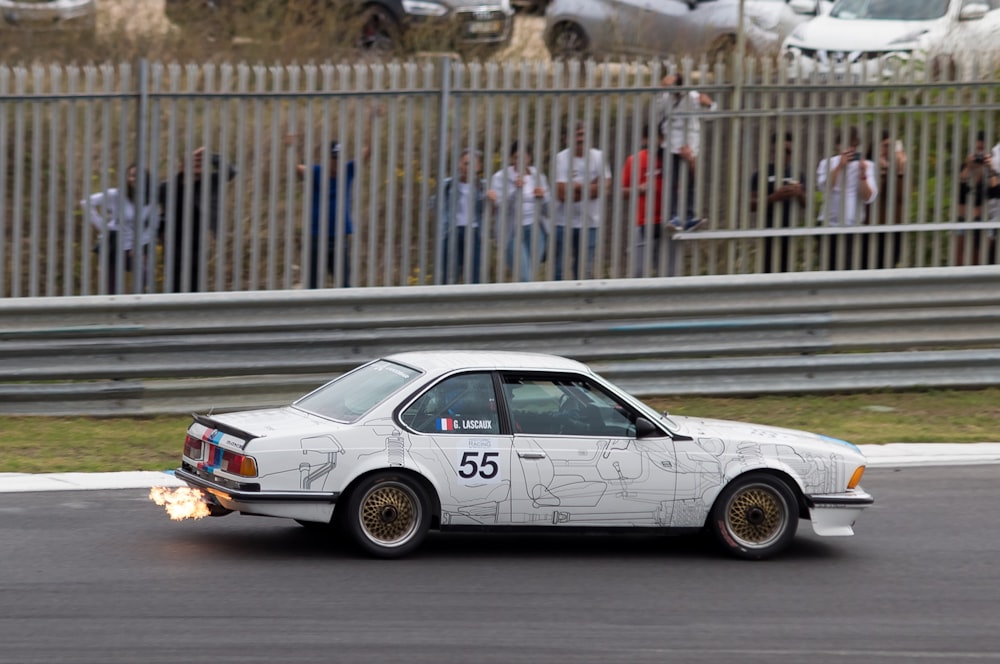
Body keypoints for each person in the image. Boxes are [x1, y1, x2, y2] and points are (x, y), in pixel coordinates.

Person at [295, 113, 376, 288]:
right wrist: (292, 148)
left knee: (344, 285)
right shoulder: (316, 172)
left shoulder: (348, 170)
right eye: (333, 159)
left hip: (339, 239)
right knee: (312, 286)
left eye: (338, 159)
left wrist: (371, 122)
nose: (336, 163)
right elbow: (297, 167)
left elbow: (368, 151)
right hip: (316, 237)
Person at [158, 147, 237, 293]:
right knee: (173, 281)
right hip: (172, 241)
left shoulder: (210, 182)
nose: (197, 168)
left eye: (200, 165)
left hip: (197, 240)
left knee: (195, 281)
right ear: (183, 166)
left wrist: (211, 157)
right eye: (193, 164)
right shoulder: (167, 187)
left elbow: (231, 171)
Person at [81, 164, 158, 294]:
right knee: (112, 288)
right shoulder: (116, 195)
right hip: (113, 245)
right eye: (132, 175)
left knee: (145, 277)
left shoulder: (150, 200)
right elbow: (87, 203)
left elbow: (153, 226)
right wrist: (102, 226)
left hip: (133, 247)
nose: (135, 179)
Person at [553, 122, 611, 280]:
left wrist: (577, 187)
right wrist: (592, 187)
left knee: (583, 270)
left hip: (590, 223)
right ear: (567, 139)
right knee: (558, 269)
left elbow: (604, 188)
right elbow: (562, 194)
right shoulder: (561, 158)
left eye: (583, 134)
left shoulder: (598, 156)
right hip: (563, 222)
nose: (581, 138)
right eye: (577, 135)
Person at [657, 72, 715, 231]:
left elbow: (710, 116)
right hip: (670, 146)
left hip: (689, 147)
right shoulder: (664, 97)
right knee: (671, 183)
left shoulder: (693, 97)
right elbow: (656, 111)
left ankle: (689, 216)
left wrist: (709, 104)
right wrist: (661, 89)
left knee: (690, 182)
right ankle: (672, 217)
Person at [486, 140, 550, 282]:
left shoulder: (538, 176)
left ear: (529, 158)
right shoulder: (500, 178)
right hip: (511, 232)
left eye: (524, 157)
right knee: (524, 276)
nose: (520, 161)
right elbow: (499, 207)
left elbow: (550, 210)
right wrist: (516, 190)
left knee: (531, 276)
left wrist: (543, 196)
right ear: (511, 158)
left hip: (535, 230)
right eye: (516, 158)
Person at [816, 126, 878, 269]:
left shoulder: (867, 165)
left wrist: (863, 174)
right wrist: (839, 166)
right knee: (827, 268)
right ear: (838, 145)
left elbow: (869, 197)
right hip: (828, 225)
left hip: (853, 227)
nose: (852, 148)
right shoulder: (827, 163)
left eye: (855, 145)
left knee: (849, 267)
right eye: (848, 144)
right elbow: (824, 188)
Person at [749, 132, 806, 273]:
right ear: (774, 150)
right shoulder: (761, 174)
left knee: (788, 271)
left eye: (788, 151)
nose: (785, 155)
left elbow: (806, 204)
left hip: (789, 231)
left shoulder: (797, 174)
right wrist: (774, 197)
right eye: (781, 151)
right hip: (767, 231)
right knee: (766, 270)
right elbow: (751, 205)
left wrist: (799, 193)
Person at [621, 124, 669, 277]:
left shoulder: (669, 159)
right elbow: (622, 191)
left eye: (658, 137)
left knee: (668, 273)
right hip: (642, 222)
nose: (655, 141)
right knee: (638, 272)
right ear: (643, 140)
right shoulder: (634, 160)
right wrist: (639, 189)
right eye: (650, 138)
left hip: (668, 222)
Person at [437, 147, 486, 284]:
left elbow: (488, 210)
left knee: (473, 274)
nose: (468, 167)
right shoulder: (448, 184)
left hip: (474, 231)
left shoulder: (482, 186)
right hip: (452, 231)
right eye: (465, 163)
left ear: (479, 166)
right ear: (460, 164)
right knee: (448, 275)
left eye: (472, 164)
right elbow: (434, 203)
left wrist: (489, 199)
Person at [955, 131, 1000, 266]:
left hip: (986, 221)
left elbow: (996, 193)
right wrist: (969, 167)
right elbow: (961, 190)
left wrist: (990, 169)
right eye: (977, 150)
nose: (979, 154)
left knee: (982, 262)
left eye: (981, 150)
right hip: (964, 219)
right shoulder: (966, 167)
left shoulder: (992, 169)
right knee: (961, 263)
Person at [870, 131, 908, 268]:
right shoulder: (868, 167)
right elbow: (873, 195)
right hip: (871, 229)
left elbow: (900, 197)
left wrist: (899, 171)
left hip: (893, 228)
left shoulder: (900, 171)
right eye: (886, 146)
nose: (889, 150)